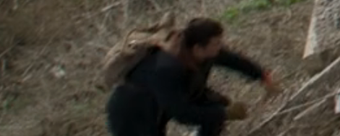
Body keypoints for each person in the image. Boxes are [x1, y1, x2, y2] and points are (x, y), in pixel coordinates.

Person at [105, 17, 279, 136]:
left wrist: (262, 76)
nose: (221, 47)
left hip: (162, 102)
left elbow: (233, 61)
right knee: (215, 112)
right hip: (132, 113)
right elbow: (182, 113)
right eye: (217, 43)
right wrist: (224, 113)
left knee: (215, 107)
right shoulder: (166, 68)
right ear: (197, 48)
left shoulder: (205, 52)